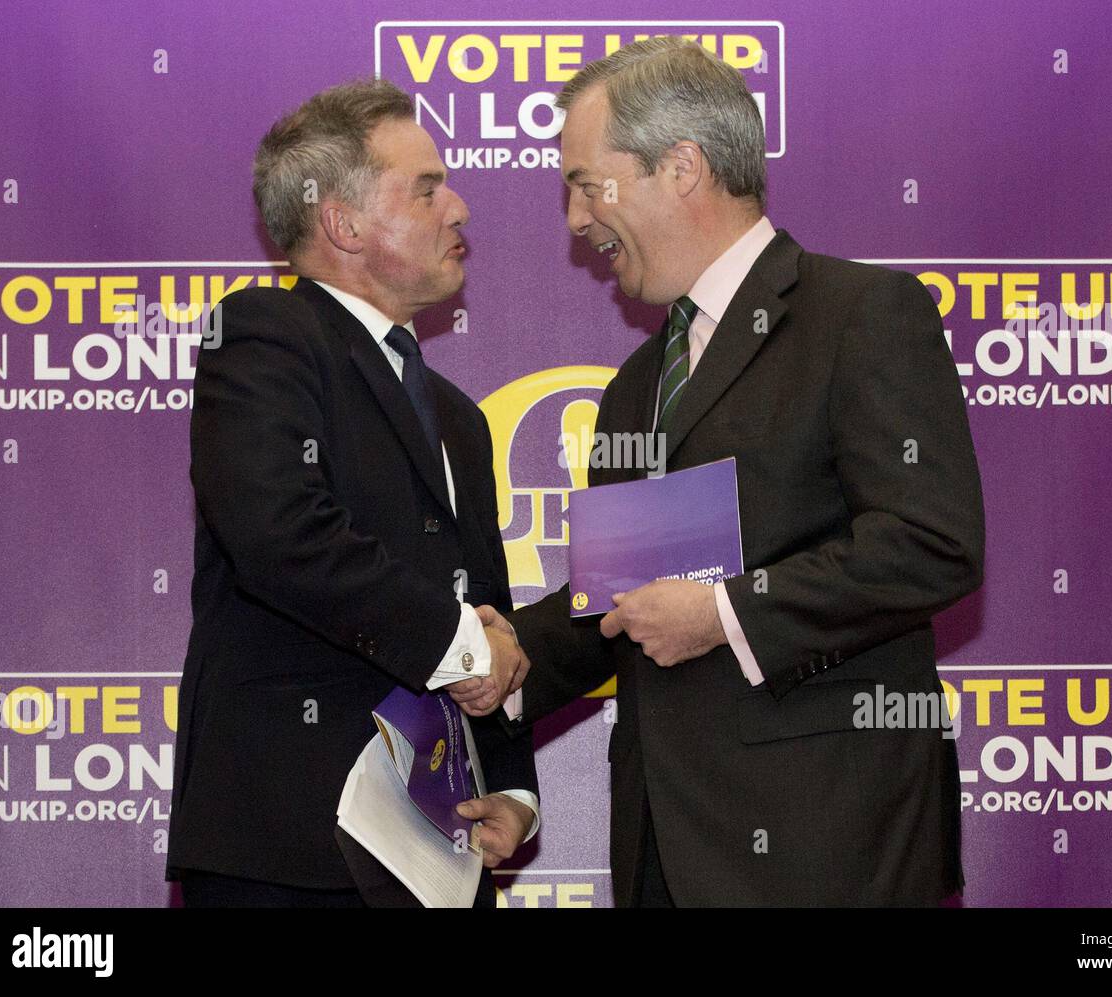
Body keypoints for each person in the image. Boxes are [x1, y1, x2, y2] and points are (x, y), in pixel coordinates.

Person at [452, 37, 984, 906]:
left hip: (828, 847)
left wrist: (727, 611)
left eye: (587, 184)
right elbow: (614, 604)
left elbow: (932, 543)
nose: (578, 221)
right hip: (664, 846)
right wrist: (510, 656)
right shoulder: (636, 385)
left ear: (682, 167)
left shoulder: (859, 316)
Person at [167, 79, 537, 907]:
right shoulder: (264, 334)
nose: (462, 208)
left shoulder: (457, 417)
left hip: (439, 851)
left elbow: (487, 610)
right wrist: (468, 646)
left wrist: (512, 785)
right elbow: (281, 534)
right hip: (292, 847)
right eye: (429, 188)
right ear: (342, 222)